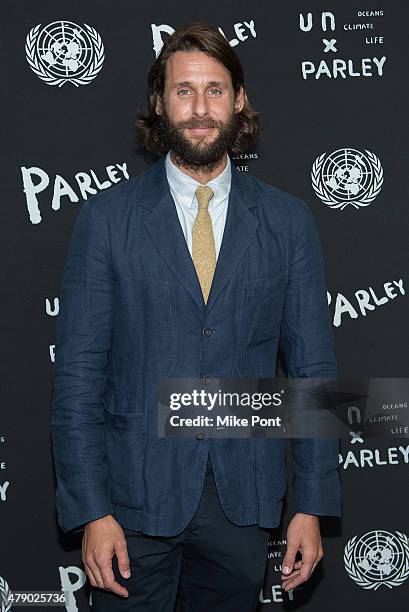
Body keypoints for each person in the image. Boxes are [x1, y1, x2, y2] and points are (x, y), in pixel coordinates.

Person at [51, 22, 341, 611]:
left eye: (215, 90)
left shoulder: (287, 224)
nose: (200, 108)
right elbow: (77, 379)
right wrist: (91, 510)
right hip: (130, 505)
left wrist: (310, 504)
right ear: (159, 104)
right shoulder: (106, 222)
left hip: (246, 503)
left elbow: (311, 371)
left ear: (239, 101)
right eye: (184, 91)